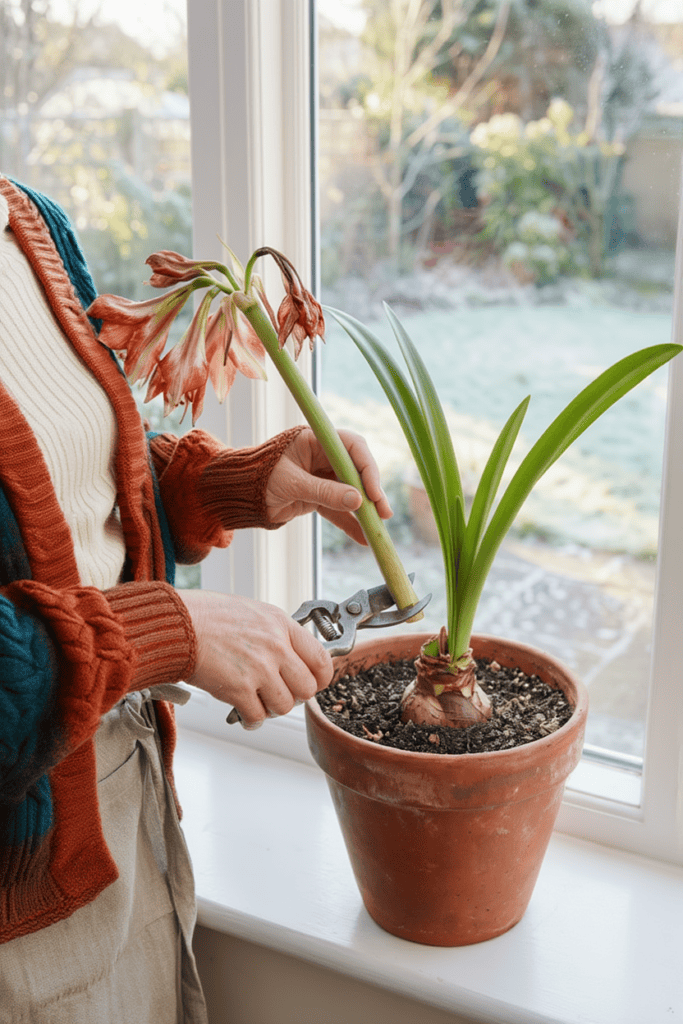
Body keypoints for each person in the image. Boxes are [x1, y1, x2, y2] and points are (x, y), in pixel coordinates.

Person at [0, 174, 392, 1023]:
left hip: (126, 802)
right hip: (18, 897)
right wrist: (166, 632)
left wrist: (234, 484)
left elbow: (76, 497)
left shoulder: (24, 220)